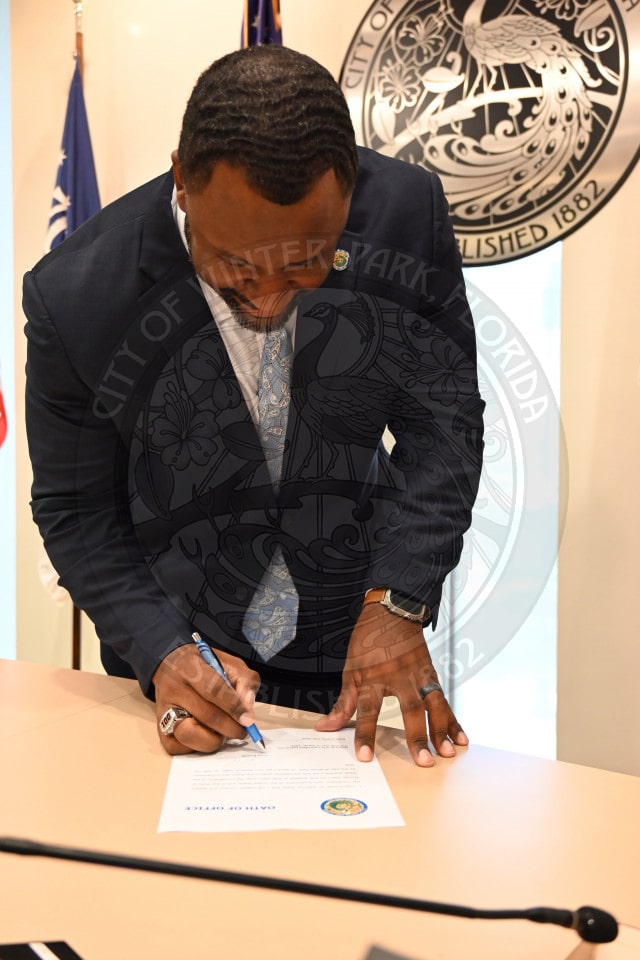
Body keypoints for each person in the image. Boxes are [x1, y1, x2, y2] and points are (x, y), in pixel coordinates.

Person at [24, 45, 484, 766]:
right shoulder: (77, 296)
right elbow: (77, 510)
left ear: (350, 194)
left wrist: (396, 600)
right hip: (177, 655)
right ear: (182, 181)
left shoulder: (405, 215)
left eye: (308, 259)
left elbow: (444, 427)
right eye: (236, 265)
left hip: (359, 635)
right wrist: (162, 650)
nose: (270, 294)